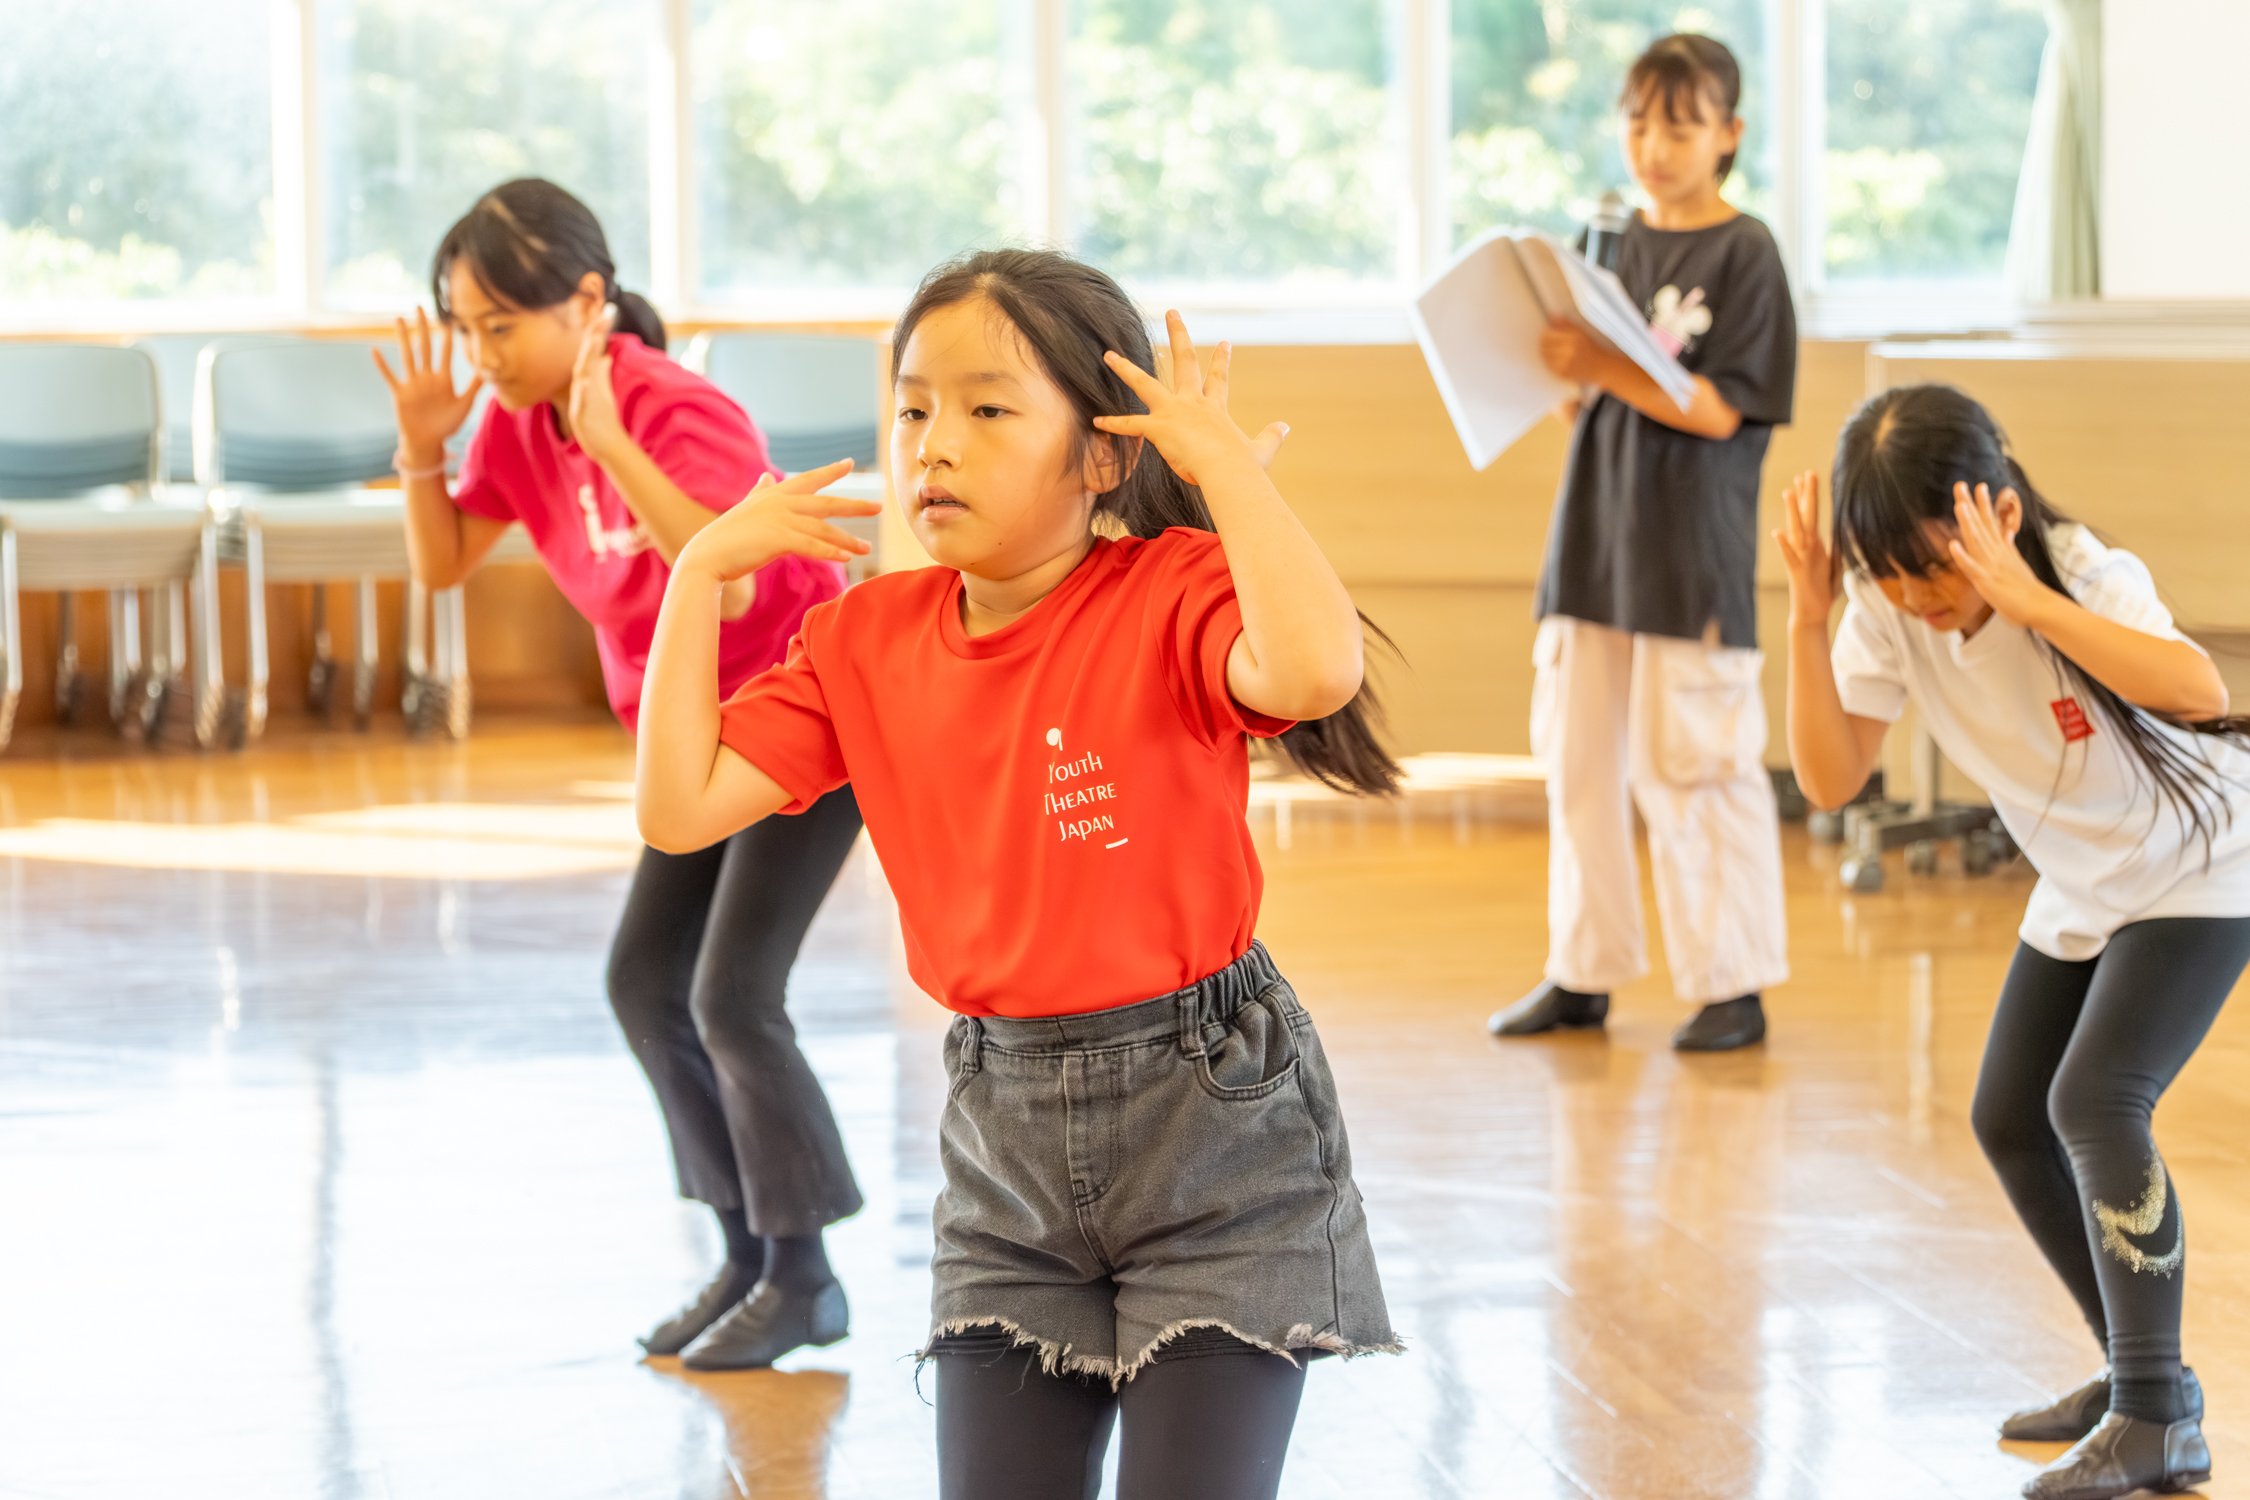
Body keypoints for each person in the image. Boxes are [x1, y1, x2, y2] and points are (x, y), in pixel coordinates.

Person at [635, 248, 1400, 1500]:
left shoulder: (1169, 593)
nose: (935, 444)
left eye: (988, 410)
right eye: (914, 407)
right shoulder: (861, 640)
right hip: (1003, 1146)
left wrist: (1227, 476)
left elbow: (1313, 674)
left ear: (1101, 454)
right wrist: (695, 578)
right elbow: (678, 809)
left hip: (1214, 1131)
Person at [375, 177, 865, 1371]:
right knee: (647, 983)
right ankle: (750, 1253)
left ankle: (804, 1277)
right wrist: (419, 451)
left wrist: (606, 442)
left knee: (731, 995)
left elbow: (735, 579)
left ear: (587, 301)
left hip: (800, 717)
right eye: (466, 326)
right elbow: (442, 565)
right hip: (692, 739)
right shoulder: (511, 422)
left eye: (502, 323)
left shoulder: (671, 405)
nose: (482, 353)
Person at [1778, 384, 2250, 1500]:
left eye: (1932, 569)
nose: (1914, 598)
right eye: (1886, 574)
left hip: (2202, 862)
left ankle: (2155, 1418)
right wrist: (1808, 614)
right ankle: (2145, 1372)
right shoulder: (1886, 608)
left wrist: (2027, 601)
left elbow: (2200, 688)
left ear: (1991, 508)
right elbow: (1832, 778)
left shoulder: (2083, 575)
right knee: (2009, 1116)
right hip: (2086, 882)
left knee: (2095, 1099)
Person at [1487, 33, 1797, 1052]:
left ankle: (1731, 985)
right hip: (1593, 543)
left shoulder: (1746, 251)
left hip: (1687, 552)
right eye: (1637, 121)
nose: (1652, 145)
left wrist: (1604, 369)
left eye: (1679, 123)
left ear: (1728, 135)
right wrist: (1547, 375)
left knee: (1694, 762)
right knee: (1578, 763)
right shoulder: (1603, 237)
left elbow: (1719, 412)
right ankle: (1582, 972)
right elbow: (1586, 405)